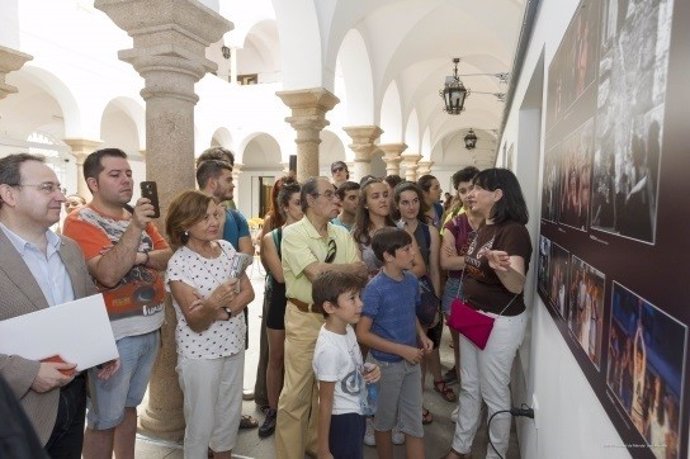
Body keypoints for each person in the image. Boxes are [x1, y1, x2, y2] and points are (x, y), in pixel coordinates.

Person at [63, 148, 171, 459]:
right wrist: (136, 229)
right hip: (113, 335)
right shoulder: (80, 221)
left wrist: (138, 256)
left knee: (129, 408)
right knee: (103, 420)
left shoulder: (132, 214)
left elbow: (168, 255)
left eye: (128, 173)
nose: (126, 179)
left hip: (149, 327)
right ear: (93, 183)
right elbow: (109, 273)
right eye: (115, 174)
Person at [0, 153, 100, 458]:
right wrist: (27, 373)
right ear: (9, 194)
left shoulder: (69, 249)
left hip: (74, 398)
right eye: (47, 188)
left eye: (59, 187)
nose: (61, 196)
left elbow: (85, 308)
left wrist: (101, 349)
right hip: (17, 415)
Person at [275, 177, 367, 458]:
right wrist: (346, 268)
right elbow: (316, 274)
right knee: (296, 394)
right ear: (310, 200)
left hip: (337, 322)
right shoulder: (293, 234)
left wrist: (339, 269)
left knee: (327, 391)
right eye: (328, 194)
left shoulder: (341, 234)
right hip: (305, 318)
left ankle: (317, 448)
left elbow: (362, 272)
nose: (336, 199)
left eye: (335, 193)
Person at [445, 168, 532, 459]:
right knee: (469, 386)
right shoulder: (485, 228)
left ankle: (496, 454)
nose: (470, 195)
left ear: (497, 195)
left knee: (494, 395)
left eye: (477, 189)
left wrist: (503, 268)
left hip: (499, 323)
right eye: (468, 190)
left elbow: (517, 286)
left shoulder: (513, 231)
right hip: (474, 317)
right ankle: (461, 448)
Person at [164, 190, 255, 458]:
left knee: (228, 419)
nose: (214, 222)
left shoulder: (226, 249)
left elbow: (248, 292)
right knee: (201, 424)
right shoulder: (180, 264)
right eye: (204, 218)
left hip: (233, 345)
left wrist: (221, 309)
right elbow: (196, 321)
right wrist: (215, 301)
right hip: (200, 354)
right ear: (185, 225)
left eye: (216, 214)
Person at [356, 227, 433, 459]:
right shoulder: (375, 289)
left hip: (411, 363)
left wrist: (422, 335)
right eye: (407, 249)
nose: (413, 254)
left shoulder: (410, 280)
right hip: (384, 367)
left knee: (413, 423)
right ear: (388, 256)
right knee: (383, 422)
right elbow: (363, 334)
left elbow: (410, 313)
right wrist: (402, 350)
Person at [196, 157, 259, 428]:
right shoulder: (192, 215)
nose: (233, 183)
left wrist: (230, 281)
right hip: (202, 311)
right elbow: (200, 248)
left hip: (237, 302)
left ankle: (229, 420)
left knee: (233, 365)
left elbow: (247, 253)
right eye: (229, 179)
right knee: (207, 378)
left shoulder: (237, 216)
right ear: (212, 182)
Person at [395, 181, 450, 422]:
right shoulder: (392, 230)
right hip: (396, 296)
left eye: (415, 201)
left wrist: (436, 303)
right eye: (405, 202)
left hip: (422, 296)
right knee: (398, 353)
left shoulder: (429, 232)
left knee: (421, 351)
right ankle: (399, 405)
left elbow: (435, 270)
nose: (411, 207)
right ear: (397, 205)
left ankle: (415, 405)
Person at [312, 271, 381, 459]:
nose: (360, 303)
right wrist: (324, 450)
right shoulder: (329, 350)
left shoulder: (347, 329)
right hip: (342, 420)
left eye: (359, 296)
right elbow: (325, 403)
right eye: (352, 299)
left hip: (357, 411)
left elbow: (352, 366)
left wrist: (368, 369)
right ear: (329, 306)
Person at [258, 181, 302, 438]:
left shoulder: (315, 234)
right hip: (280, 301)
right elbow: (281, 275)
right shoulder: (271, 238)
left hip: (306, 303)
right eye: (297, 203)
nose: (302, 208)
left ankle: (301, 411)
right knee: (276, 357)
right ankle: (274, 410)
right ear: (285, 207)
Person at [440, 166, 482, 385]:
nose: (468, 195)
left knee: (481, 344)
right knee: (460, 345)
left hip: (485, 290)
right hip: (456, 288)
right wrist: (480, 258)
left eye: (473, 188)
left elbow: (455, 259)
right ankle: (464, 388)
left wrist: (463, 257)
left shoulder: (492, 223)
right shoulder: (454, 224)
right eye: (463, 190)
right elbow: (446, 262)